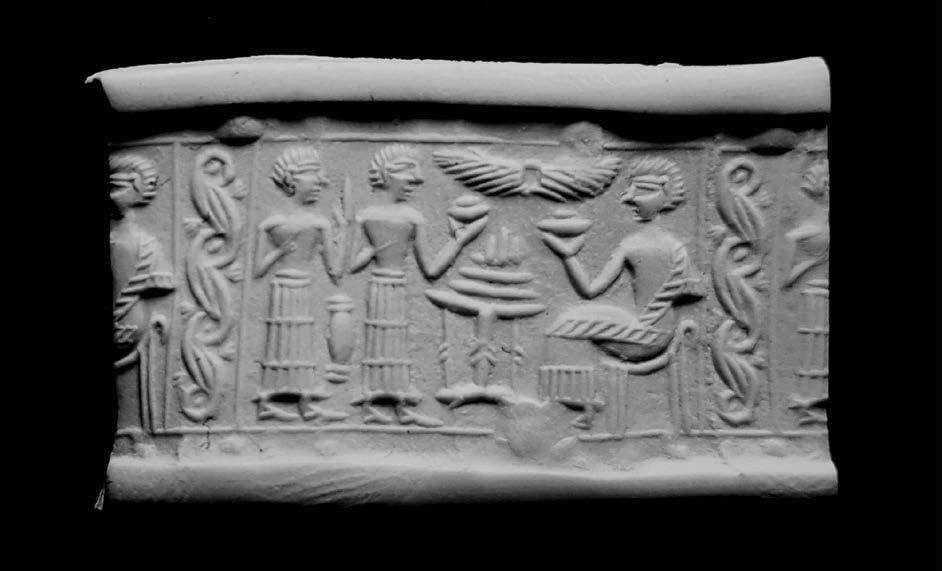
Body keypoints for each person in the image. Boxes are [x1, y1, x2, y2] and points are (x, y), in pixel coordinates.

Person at [348, 144, 487, 426]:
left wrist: (458, 241)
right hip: (380, 287)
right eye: (408, 171)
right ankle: (373, 405)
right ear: (387, 174)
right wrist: (372, 250)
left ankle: (398, 406)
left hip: (396, 288)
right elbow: (352, 264)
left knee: (395, 344)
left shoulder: (413, 218)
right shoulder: (365, 217)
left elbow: (432, 270)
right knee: (380, 341)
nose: (417, 179)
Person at [541, 156, 703, 364]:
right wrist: (569, 256)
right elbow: (589, 291)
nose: (628, 198)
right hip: (652, 331)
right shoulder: (671, 247)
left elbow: (589, 291)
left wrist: (568, 256)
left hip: (647, 336)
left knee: (564, 324)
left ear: (663, 195)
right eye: (630, 190)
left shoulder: (639, 246)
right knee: (566, 323)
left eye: (640, 191)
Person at [253, 146, 348, 421]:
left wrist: (343, 228)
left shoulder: (320, 224)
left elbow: (336, 271)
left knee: (301, 344)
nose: (321, 181)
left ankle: (303, 400)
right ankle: (268, 401)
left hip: (302, 291)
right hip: (282, 290)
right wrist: (279, 253)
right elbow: (258, 269)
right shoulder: (270, 224)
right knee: (280, 343)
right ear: (292, 180)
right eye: (313, 174)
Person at [110, 154, 175, 433]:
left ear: (138, 187)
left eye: (117, 187)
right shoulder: (127, 241)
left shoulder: (147, 244)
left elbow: (160, 285)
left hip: (134, 328)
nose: (112, 196)